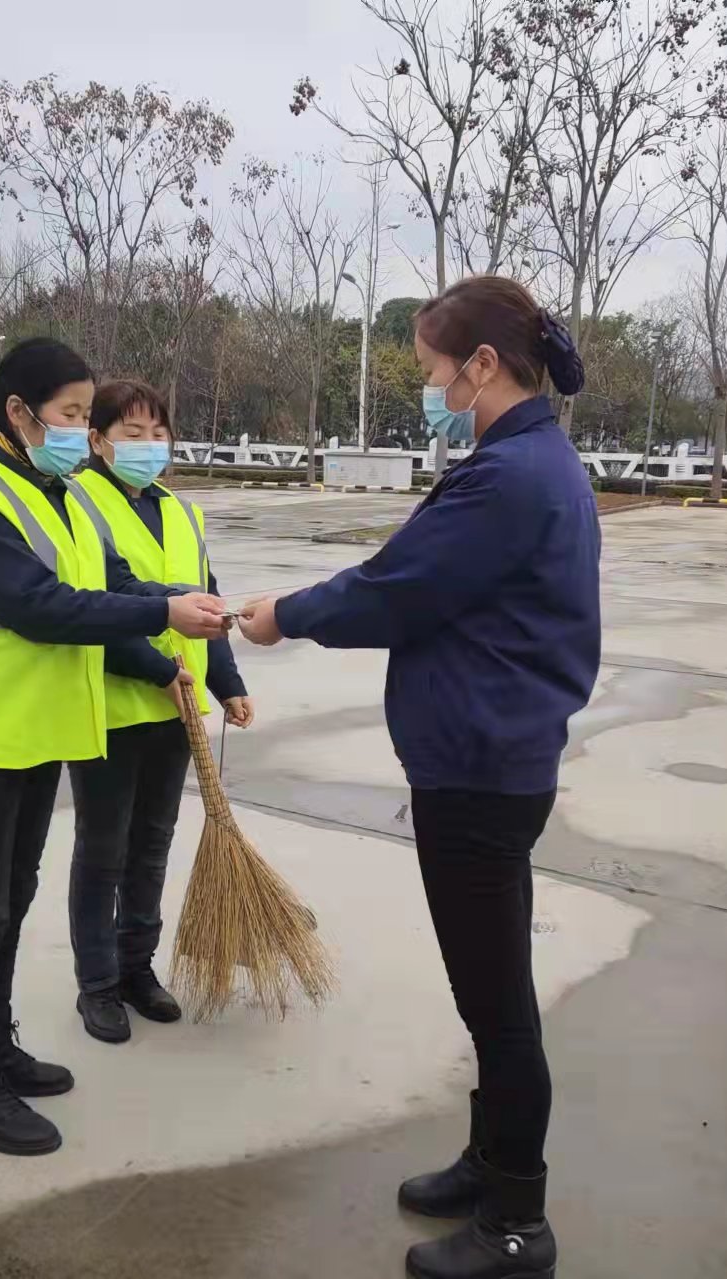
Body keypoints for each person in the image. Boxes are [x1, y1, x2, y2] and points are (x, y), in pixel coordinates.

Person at [238, 275, 600, 1279]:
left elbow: (397, 588)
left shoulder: (509, 477)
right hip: (491, 761)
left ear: (482, 366)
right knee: (489, 990)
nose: (430, 382)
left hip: (479, 773)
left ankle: (516, 1221)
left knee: (495, 1003)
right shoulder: (532, 461)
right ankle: (488, 1161)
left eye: (436, 366)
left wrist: (286, 615)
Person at [0, 338, 229, 1158]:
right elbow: (44, 606)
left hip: (33, 736)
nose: (80, 430)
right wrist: (161, 617)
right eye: (72, 415)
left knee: (10, 902)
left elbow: (113, 586)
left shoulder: (55, 495)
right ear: (19, 413)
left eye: (86, 415)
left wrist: (180, 603)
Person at [65, 379, 254, 1044]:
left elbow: (209, 598)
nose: (147, 446)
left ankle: (136, 967)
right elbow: (91, 604)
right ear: (97, 440)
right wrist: (157, 668)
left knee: (151, 846)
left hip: (177, 706)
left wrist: (225, 679)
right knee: (103, 849)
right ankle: (97, 984)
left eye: (157, 433)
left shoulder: (180, 509)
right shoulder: (78, 502)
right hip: (113, 705)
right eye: (130, 433)